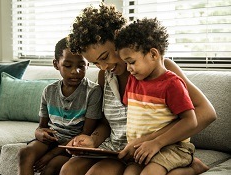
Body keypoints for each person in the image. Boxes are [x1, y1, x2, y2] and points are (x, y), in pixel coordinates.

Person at [60, 3, 216, 175]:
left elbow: (206, 113)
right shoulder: (106, 76)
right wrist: (92, 140)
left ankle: (191, 165)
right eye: (96, 63)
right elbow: (108, 122)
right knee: (69, 169)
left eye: (105, 57)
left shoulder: (160, 70)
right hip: (118, 148)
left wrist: (149, 140)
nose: (103, 67)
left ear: (118, 38)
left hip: (153, 149)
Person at [115, 17, 197, 175]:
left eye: (131, 62)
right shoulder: (133, 80)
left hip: (172, 146)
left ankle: (193, 168)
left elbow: (190, 121)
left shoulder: (172, 84)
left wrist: (157, 142)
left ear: (153, 54)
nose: (128, 68)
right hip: (143, 148)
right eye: (125, 62)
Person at [18, 37, 102, 175]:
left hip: (74, 145)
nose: (75, 71)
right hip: (51, 140)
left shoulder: (93, 92)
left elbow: (86, 133)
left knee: (52, 166)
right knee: (24, 153)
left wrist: (50, 155)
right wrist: (39, 133)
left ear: (87, 65)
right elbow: (42, 127)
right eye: (68, 66)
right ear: (56, 64)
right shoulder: (49, 91)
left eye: (81, 66)